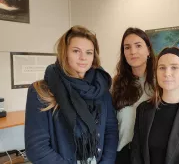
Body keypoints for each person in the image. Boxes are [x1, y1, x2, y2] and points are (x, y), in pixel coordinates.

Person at [24, 25, 118, 164]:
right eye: (76, 51)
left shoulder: (101, 89)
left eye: (89, 52)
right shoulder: (41, 90)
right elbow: (37, 148)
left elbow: (111, 131)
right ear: (64, 53)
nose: (83, 58)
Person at [111, 27, 155, 164]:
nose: (133, 52)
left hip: (151, 154)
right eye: (127, 47)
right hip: (123, 154)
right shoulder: (117, 84)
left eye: (138, 46)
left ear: (148, 50)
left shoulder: (159, 83)